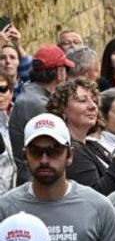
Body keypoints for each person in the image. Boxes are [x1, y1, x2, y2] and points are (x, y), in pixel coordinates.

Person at [46, 78, 115, 194]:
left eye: (94, 101)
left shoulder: (92, 144)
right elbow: (96, 195)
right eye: (82, 100)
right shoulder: (71, 150)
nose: (93, 106)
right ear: (62, 109)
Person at [8, 45, 72, 179]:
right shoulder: (39, 104)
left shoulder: (32, 95)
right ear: (60, 72)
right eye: (66, 70)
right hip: (35, 181)